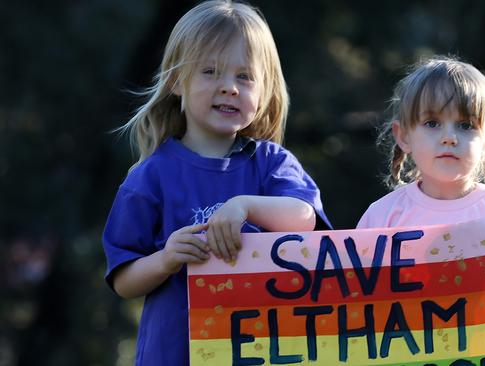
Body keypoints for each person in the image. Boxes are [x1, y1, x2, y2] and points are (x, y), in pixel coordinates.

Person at [102, 1, 331, 364]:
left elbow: (306, 218)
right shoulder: (149, 177)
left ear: (265, 89)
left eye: (245, 76)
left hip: (261, 352)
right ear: (177, 81)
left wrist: (246, 205)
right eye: (210, 71)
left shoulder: (272, 164)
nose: (229, 88)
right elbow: (124, 280)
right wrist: (166, 259)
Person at [357, 56, 485, 337]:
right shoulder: (382, 217)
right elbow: (354, 308)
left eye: (466, 125)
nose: (449, 137)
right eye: (432, 123)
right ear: (403, 136)